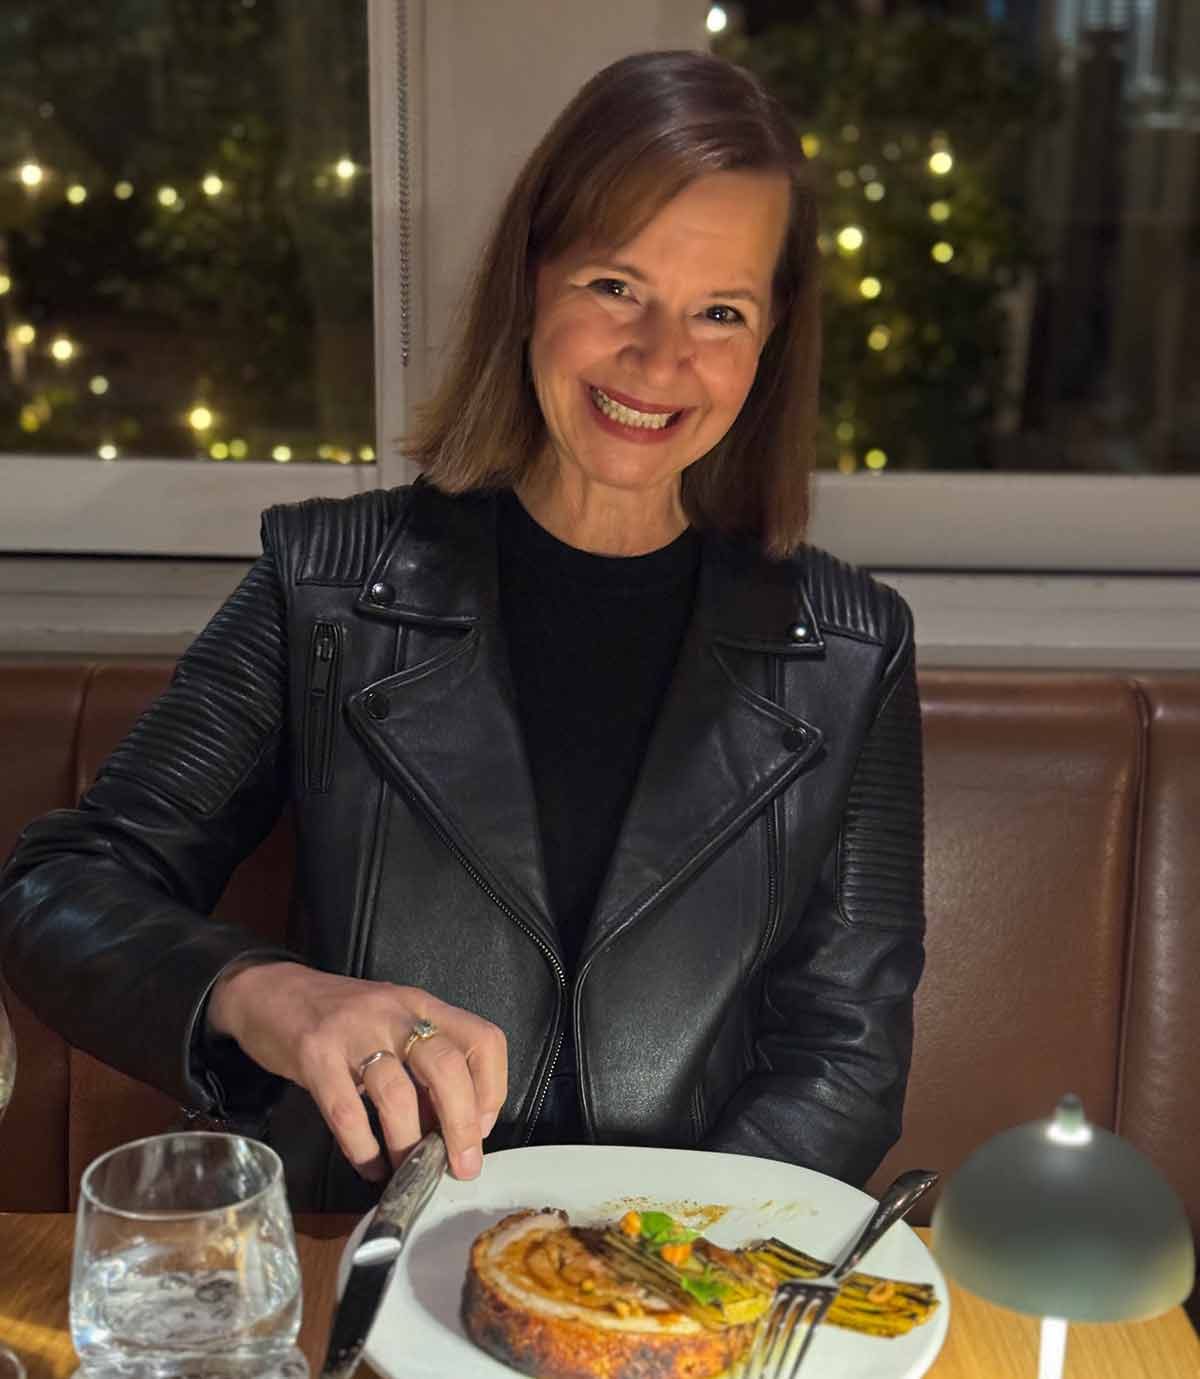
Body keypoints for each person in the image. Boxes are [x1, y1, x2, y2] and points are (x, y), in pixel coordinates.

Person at [0, 50, 924, 1211]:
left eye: (721, 311)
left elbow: (845, 1057)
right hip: (365, 1252)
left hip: (685, 1281)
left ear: (773, 339)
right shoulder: (324, 584)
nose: (660, 357)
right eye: (616, 286)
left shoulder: (855, 648)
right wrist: (270, 992)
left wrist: (634, 1267)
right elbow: (58, 890)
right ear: (531, 281)